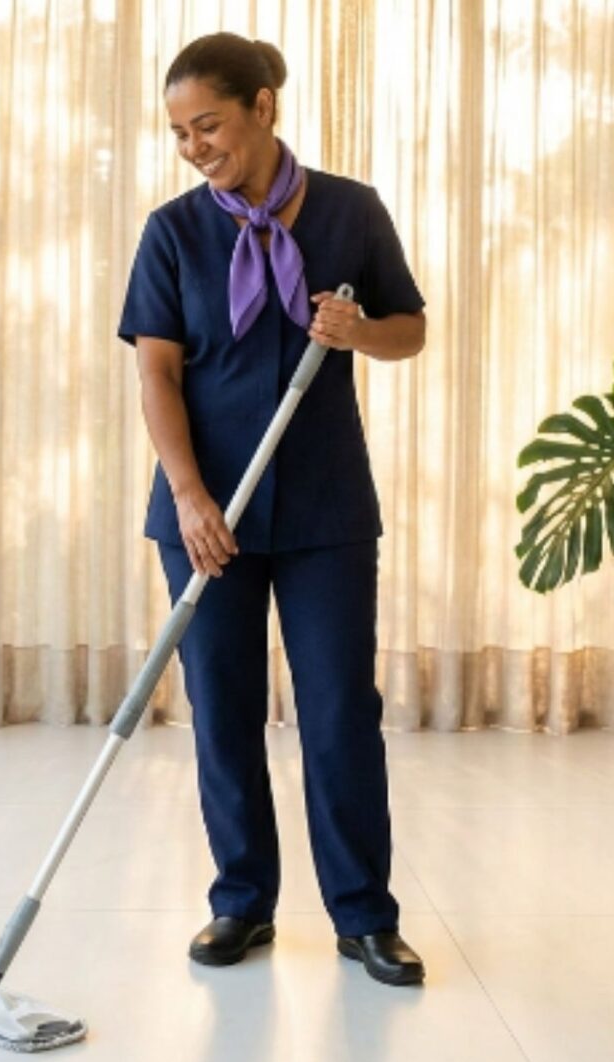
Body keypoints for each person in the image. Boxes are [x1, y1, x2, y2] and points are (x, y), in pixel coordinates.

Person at [116, 32, 428, 987]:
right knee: (224, 711)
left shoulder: (349, 213)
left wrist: (359, 331)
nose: (193, 145)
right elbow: (157, 373)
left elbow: (410, 329)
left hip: (326, 506)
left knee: (339, 712)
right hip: (207, 514)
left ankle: (364, 917)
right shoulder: (173, 232)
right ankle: (241, 904)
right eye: (178, 132)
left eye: (207, 123)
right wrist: (191, 497)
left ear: (262, 108)